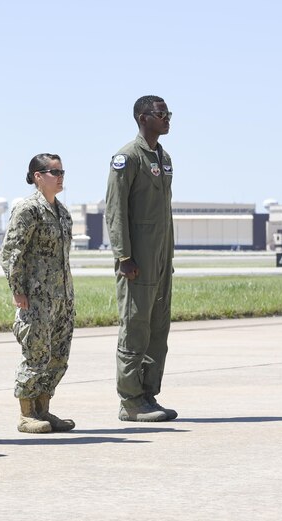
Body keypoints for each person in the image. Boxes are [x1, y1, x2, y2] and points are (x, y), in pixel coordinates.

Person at [105, 95, 178, 422]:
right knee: (134, 326)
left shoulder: (164, 157)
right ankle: (130, 400)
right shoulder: (127, 157)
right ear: (142, 117)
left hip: (161, 259)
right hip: (137, 261)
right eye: (161, 113)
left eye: (168, 113)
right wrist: (124, 256)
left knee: (157, 327)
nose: (167, 118)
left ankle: (148, 394)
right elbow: (115, 210)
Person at [1, 154, 76, 434]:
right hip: (36, 297)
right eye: (53, 172)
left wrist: (67, 297)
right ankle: (26, 413)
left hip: (62, 297)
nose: (60, 177)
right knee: (36, 353)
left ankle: (44, 408)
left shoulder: (62, 213)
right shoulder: (28, 210)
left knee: (58, 355)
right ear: (37, 176)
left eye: (61, 172)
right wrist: (17, 290)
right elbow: (12, 252)